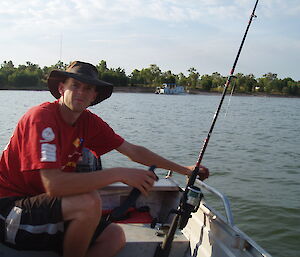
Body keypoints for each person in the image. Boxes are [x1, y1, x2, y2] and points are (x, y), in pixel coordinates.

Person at [0, 61, 209, 257]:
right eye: (75, 85)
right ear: (62, 88)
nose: (81, 92)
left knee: (115, 236)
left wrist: (185, 170)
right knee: (89, 201)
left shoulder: (88, 122)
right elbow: (54, 185)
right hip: (10, 211)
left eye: (88, 88)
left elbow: (133, 151)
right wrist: (117, 173)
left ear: (94, 96)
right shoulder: (41, 118)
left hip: (44, 208)